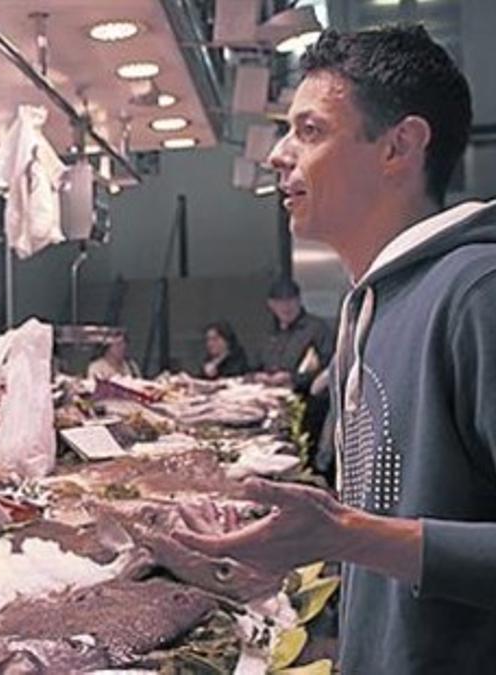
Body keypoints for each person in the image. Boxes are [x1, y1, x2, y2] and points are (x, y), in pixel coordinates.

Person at [174, 26, 492, 673]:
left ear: (399, 146)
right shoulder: (368, 303)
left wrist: (350, 535)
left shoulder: (474, 293)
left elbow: (376, 536)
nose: (279, 156)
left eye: (310, 130)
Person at [255, 277, 333, 390]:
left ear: (299, 300)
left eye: (290, 300)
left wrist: (293, 378)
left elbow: (330, 367)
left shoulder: (317, 329)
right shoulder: (267, 333)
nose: (286, 307)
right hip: (271, 398)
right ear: (271, 305)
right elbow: (255, 366)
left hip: (308, 399)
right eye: (280, 302)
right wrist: (258, 377)